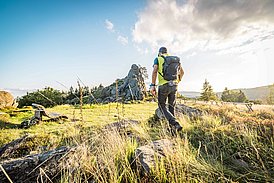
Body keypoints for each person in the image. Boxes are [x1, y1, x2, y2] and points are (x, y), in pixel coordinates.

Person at [150, 47, 184, 132]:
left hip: (163, 85)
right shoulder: (175, 60)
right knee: (171, 106)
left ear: (160, 53)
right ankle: (173, 130)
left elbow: (154, 71)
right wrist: (177, 81)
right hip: (174, 85)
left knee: (162, 106)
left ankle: (175, 123)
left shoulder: (158, 59)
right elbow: (182, 72)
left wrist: (152, 85)